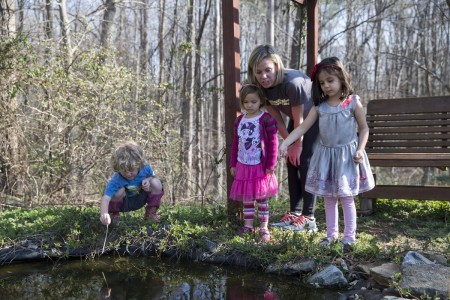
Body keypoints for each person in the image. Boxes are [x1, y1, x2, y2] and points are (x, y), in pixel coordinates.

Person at [279, 57, 375, 249]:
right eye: (322, 83)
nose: (326, 86)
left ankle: (349, 237)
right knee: (329, 198)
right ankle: (331, 235)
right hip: (327, 158)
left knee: (346, 198)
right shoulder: (319, 107)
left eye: (330, 81)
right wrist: (286, 142)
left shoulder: (352, 103)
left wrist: (360, 148)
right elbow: (302, 128)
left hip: (347, 156)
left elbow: (364, 129)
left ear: (341, 78)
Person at [247, 44, 319, 231]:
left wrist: (297, 145)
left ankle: (309, 217)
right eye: (259, 72)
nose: (264, 76)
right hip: (297, 122)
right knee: (291, 160)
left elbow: (300, 119)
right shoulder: (260, 89)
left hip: (315, 116)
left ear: (277, 67)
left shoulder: (292, 83)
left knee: (304, 160)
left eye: (268, 70)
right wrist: (289, 143)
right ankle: (294, 213)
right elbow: (277, 119)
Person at [229, 83, 279, 242]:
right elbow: (236, 143)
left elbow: (273, 143)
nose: (249, 105)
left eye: (253, 101)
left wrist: (271, 164)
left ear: (261, 101)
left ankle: (264, 228)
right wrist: (233, 164)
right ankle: (248, 226)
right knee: (247, 198)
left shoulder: (266, 119)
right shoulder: (239, 121)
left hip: (260, 165)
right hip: (243, 165)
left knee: (262, 198)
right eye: (246, 102)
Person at [99, 140, 164, 226]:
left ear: (138, 164)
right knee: (118, 191)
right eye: (124, 171)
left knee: (156, 183)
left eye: (131, 170)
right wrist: (104, 213)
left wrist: (148, 180)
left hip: (140, 199)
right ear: (118, 168)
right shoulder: (116, 179)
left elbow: (153, 177)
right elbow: (106, 198)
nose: (128, 174)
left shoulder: (145, 168)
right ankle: (113, 214)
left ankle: (151, 213)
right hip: (124, 204)